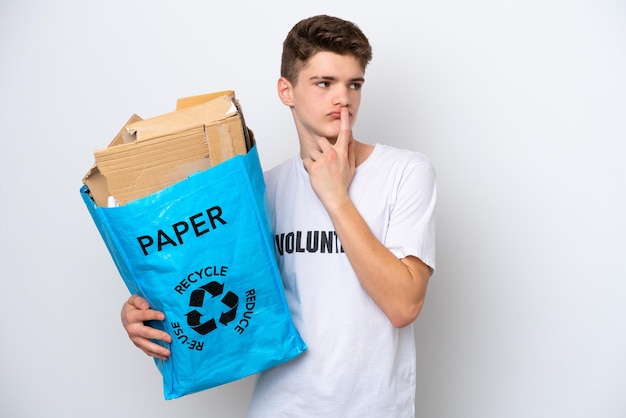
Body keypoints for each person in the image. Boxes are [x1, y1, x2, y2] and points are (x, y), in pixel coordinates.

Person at [121, 14, 436, 417]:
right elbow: (214, 286)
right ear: (286, 91)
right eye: (324, 83)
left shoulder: (405, 173)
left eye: (353, 84)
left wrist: (335, 197)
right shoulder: (262, 191)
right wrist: (145, 313)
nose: (344, 98)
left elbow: (403, 306)